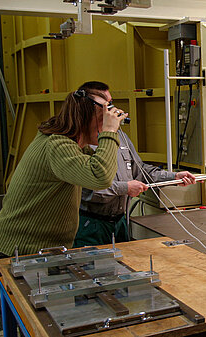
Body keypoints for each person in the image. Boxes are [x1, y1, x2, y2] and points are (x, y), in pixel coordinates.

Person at [0, 86, 126, 272]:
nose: (109, 120)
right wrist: (109, 132)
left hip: (43, 252)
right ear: (85, 116)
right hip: (19, 253)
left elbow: (97, 167)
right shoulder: (57, 145)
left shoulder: (70, 144)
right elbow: (100, 177)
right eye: (104, 113)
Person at [73, 81, 196, 248]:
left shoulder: (121, 138)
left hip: (119, 223)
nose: (110, 110)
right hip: (91, 225)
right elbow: (87, 190)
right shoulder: (79, 143)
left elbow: (141, 171)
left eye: (110, 104)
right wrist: (126, 188)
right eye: (104, 105)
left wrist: (173, 176)